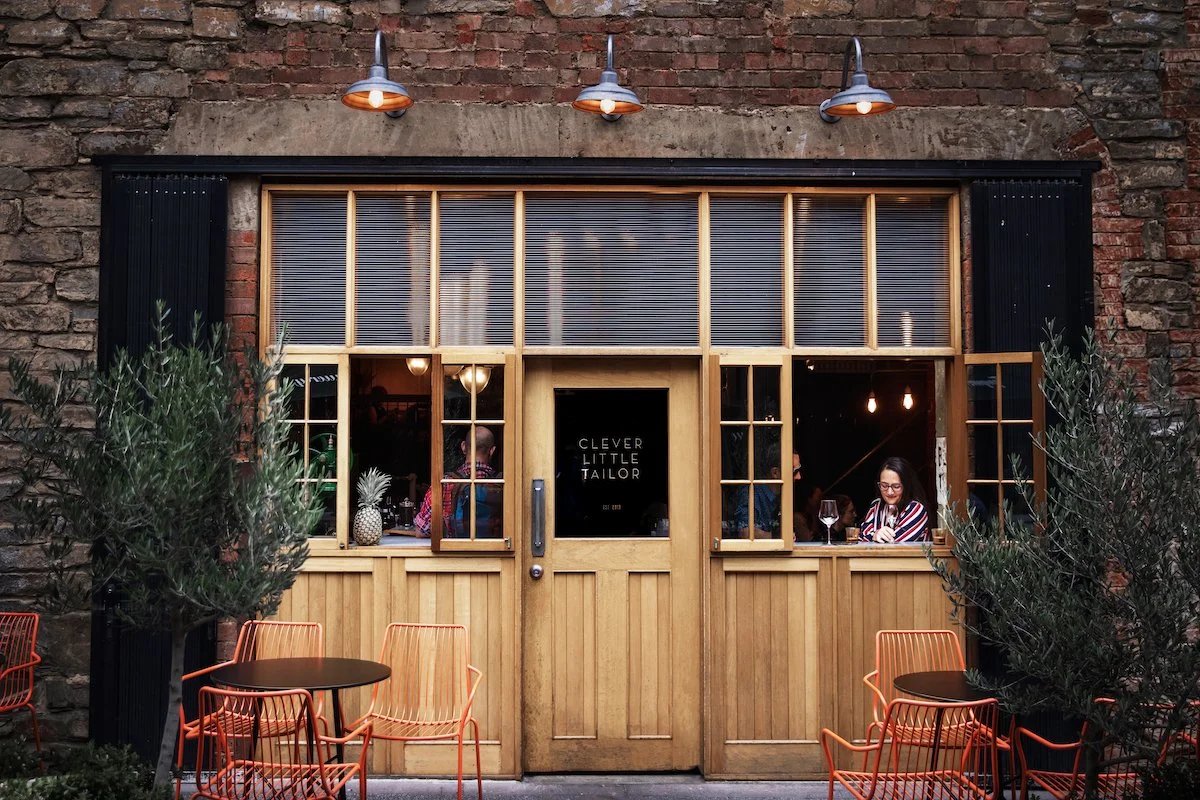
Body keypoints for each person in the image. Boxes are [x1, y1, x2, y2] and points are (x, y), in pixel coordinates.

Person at [414, 426, 501, 538]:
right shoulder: (502, 483)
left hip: (454, 553)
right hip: (494, 553)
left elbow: (421, 531)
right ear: (492, 450)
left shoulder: (445, 483)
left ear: (463, 447)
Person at [859, 456, 929, 543]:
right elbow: (861, 538)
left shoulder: (916, 509)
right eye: (884, 486)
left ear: (906, 486)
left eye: (896, 487)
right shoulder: (876, 505)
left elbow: (894, 543)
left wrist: (873, 536)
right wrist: (875, 535)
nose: (889, 492)